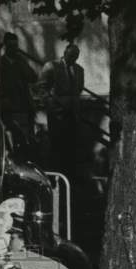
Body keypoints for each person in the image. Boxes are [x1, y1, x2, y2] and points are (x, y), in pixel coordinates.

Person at [38, 42, 84, 179]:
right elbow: (42, 88)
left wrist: (74, 105)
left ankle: (70, 178)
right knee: (57, 147)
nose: (73, 59)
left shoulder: (79, 70)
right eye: (70, 56)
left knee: (72, 147)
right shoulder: (51, 66)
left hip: (73, 115)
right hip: (57, 115)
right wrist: (52, 106)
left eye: (75, 57)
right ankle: (56, 178)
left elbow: (79, 89)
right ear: (65, 53)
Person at [0, 31, 37, 155]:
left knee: (28, 138)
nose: (14, 49)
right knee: (13, 139)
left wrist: (22, 64)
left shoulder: (21, 61)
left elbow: (33, 78)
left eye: (16, 46)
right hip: (10, 108)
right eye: (11, 46)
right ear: (6, 46)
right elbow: (7, 84)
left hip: (25, 106)